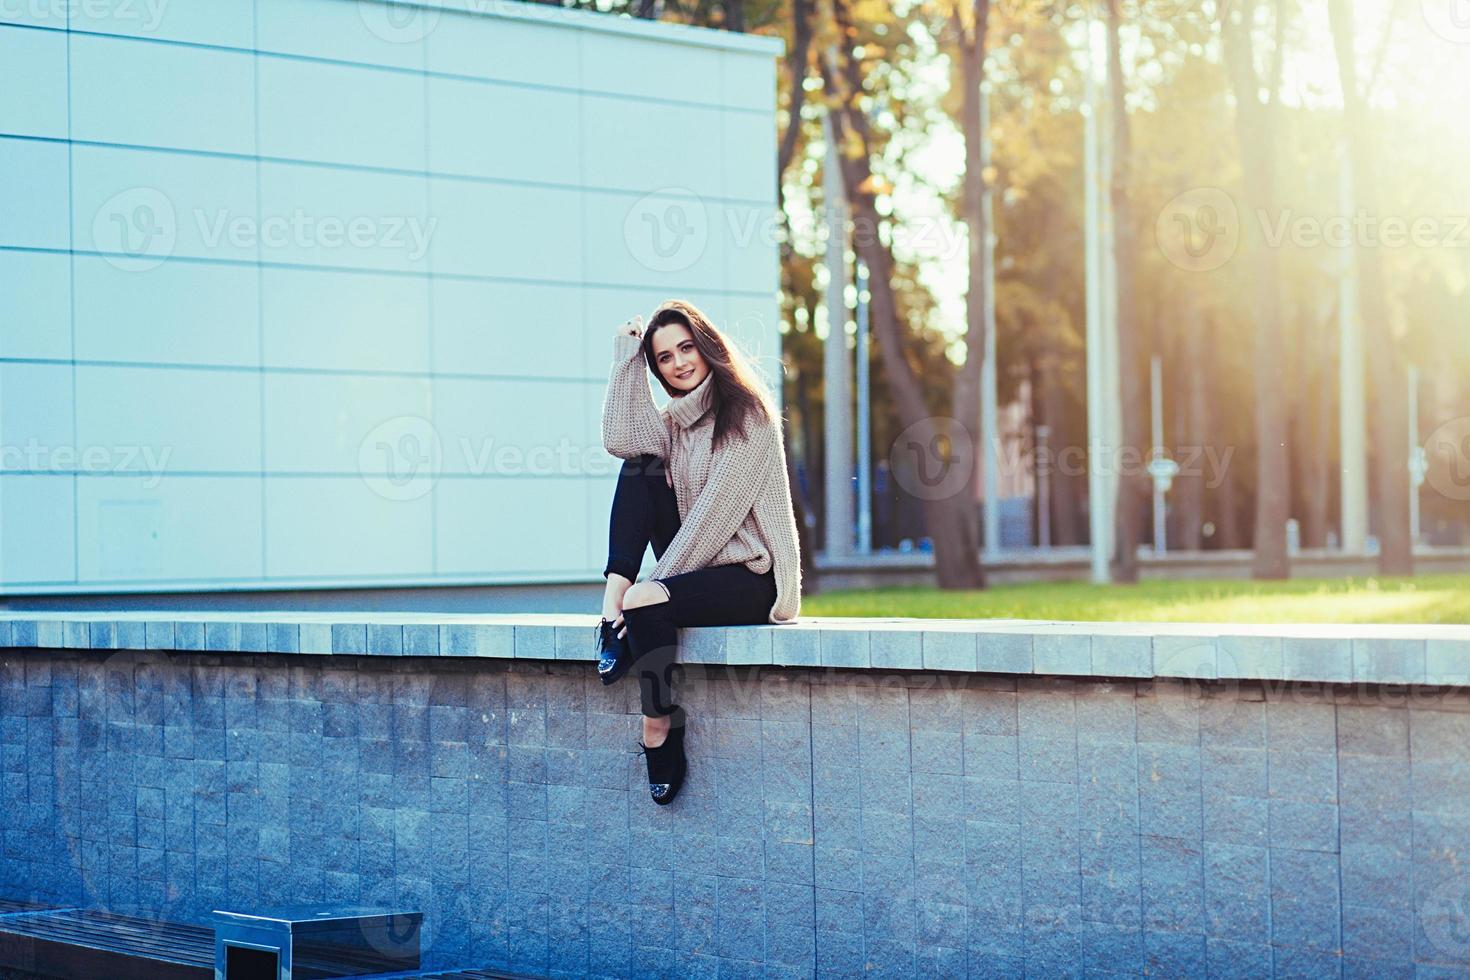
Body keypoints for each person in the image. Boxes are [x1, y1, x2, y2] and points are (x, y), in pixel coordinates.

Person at [595, 300, 802, 805]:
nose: (679, 363)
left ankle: (658, 726)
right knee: (640, 466)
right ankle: (609, 603)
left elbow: (712, 522)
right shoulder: (672, 422)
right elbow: (621, 440)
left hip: (753, 576)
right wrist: (627, 358)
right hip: (694, 569)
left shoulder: (748, 416)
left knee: (648, 604)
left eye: (686, 348)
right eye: (663, 357)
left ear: (707, 347)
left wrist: (649, 590)